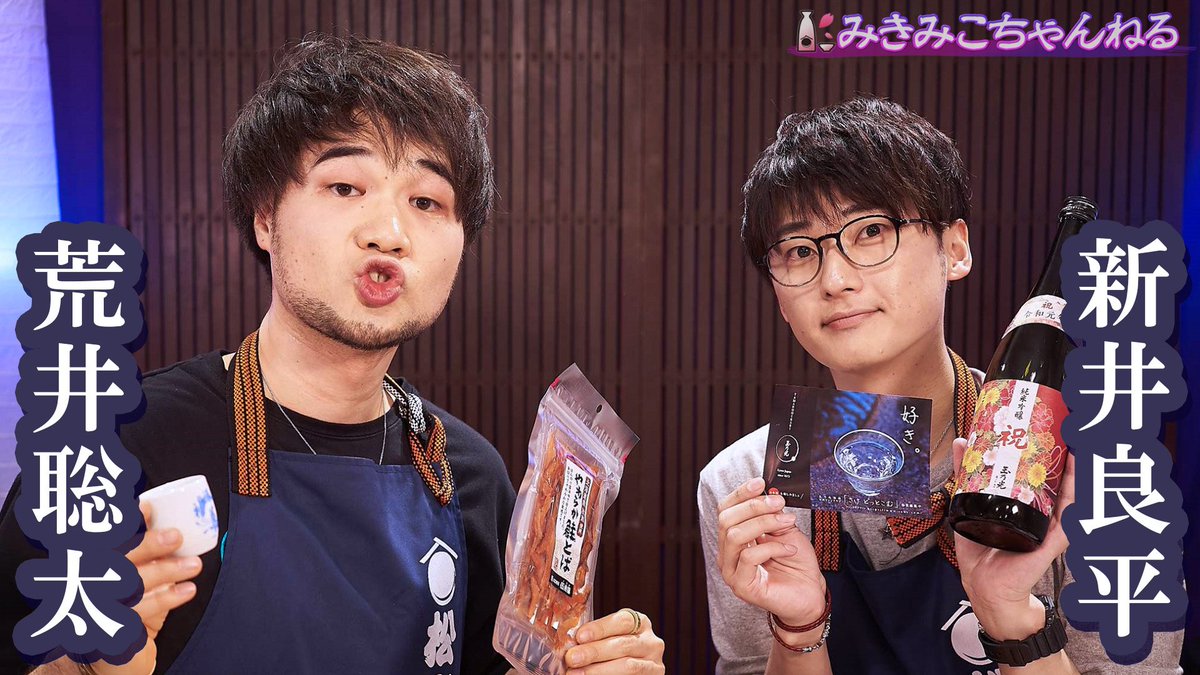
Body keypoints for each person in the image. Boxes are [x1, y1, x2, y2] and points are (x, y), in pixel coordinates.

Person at [1, 34, 665, 675]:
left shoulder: (468, 475)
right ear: (265, 217)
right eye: (346, 187)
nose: (389, 232)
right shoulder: (120, 445)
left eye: (426, 201)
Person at [697, 97, 1184, 673]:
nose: (835, 279)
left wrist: (1010, 616)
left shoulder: (1098, 467)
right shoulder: (749, 488)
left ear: (954, 249)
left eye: (872, 231)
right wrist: (799, 627)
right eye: (800, 251)